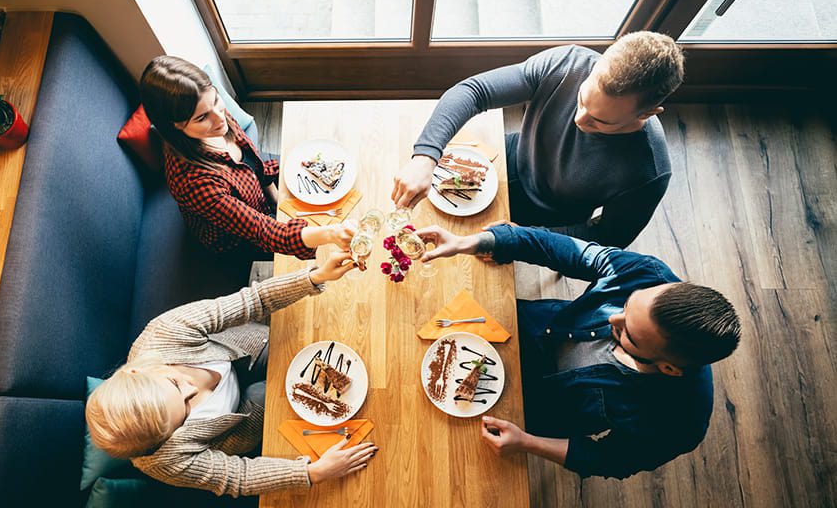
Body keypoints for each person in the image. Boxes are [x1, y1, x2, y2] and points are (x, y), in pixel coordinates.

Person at [416, 222, 741, 479]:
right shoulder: (649, 275)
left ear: (669, 368)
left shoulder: (680, 422)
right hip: (522, 328)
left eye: (628, 333)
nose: (613, 317)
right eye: (626, 305)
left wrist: (527, 443)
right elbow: (563, 250)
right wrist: (468, 242)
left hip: (535, 409)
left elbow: (611, 460)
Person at [85, 252, 378, 497]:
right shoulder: (162, 461)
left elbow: (254, 301)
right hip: (241, 421)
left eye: (174, 383)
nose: (192, 390)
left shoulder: (165, 333)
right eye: (185, 411)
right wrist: (313, 472)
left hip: (248, 348)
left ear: (138, 371)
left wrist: (314, 277)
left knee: (311, 352)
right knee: (267, 398)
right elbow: (238, 476)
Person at [394, 32, 684, 248]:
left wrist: (523, 237)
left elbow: (606, 239)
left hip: (548, 222)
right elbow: (474, 91)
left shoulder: (649, 173)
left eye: (600, 121)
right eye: (582, 100)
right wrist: (425, 157)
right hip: (508, 160)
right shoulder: (569, 62)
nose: (579, 120)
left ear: (648, 113)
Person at [141, 56, 353, 260]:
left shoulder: (214, 118)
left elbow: (254, 162)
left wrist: (274, 196)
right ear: (175, 126)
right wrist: (330, 234)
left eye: (216, 100)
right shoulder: (194, 183)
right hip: (236, 239)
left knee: (333, 178)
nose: (219, 117)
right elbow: (263, 231)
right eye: (202, 117)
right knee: (324, 247)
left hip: (257, 194)